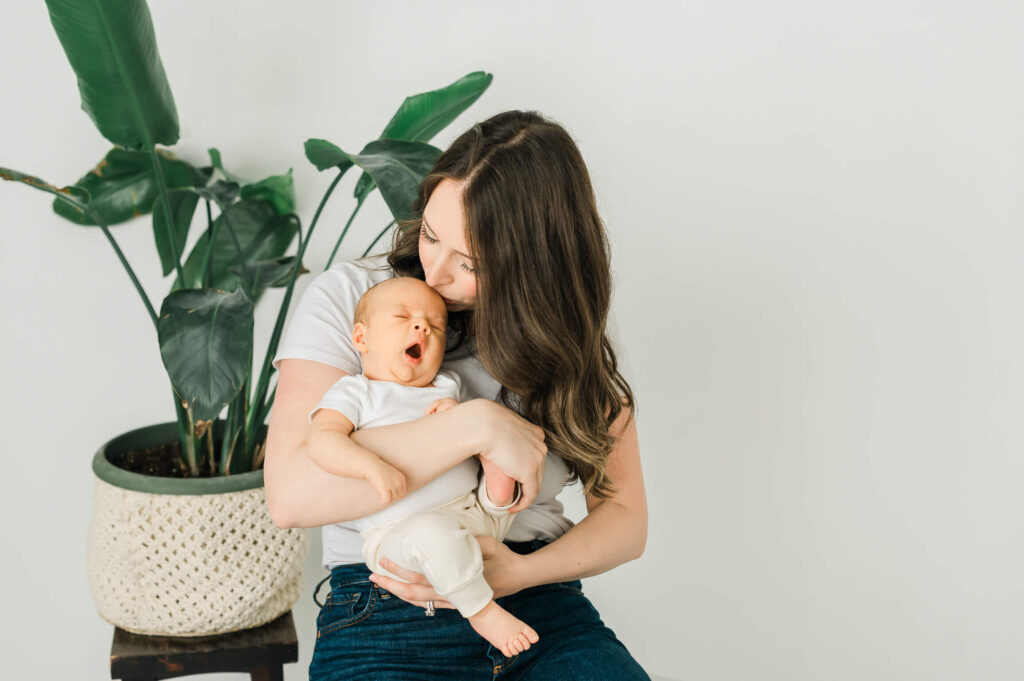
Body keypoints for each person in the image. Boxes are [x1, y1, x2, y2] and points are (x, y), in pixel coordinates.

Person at [266, 109, 649, 680]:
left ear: (534, 268)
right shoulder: (357, 301)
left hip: (539, 607)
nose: (434, 274)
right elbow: (292, 496)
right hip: (387, 608)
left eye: (469, 262)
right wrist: (477, 427)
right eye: (430, 235)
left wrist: (516, 575)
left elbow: (625, 518)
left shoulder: (560, 338)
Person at [305, 276, 539, 657]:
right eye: (402, 317)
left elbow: (468, 435)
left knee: (500, 462)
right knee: (434, 535)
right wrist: (371, 467)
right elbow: (322, 440)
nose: (421, 327)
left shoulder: (445, 385)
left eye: (435, 326)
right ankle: (481, 611)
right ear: (361, 339)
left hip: (478, 516)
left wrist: (458, 418)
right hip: (401, 535)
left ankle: (496, 494)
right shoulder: (357, 392)